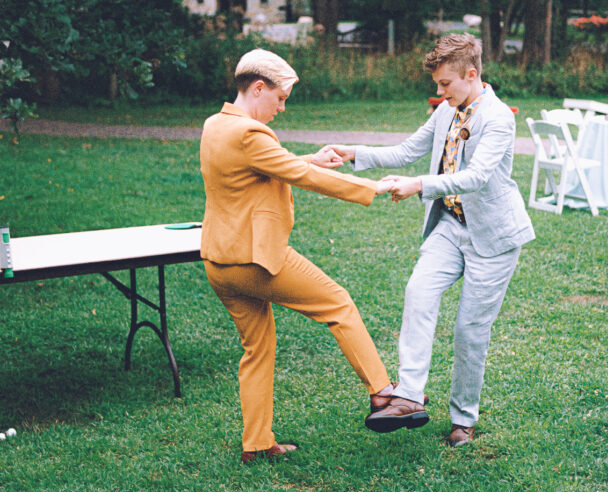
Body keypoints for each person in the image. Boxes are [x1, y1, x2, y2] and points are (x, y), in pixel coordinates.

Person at [328, 33, 534, 446]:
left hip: (493, 238)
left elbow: (476, 178)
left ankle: (463, 420)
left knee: (469, 331)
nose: (438, 92)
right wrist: (352, 153)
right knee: (417, 293)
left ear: (471, 74)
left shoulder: (498, 118)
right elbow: (407, 150)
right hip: (451, 226)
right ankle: (408, 396)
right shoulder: (446, 111)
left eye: (445, 85)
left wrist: (420, 185)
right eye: (437, 85)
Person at [200, 48, 395, 463]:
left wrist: (310, 158)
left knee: (257, 349)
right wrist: (369, 188)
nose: (282, 108)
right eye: (280, 98)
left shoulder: (215, 126)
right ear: (257, 88)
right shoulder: (250, 134)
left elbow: (267, 166)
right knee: (337, 302)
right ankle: (383, 393)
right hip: (255, 261)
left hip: (218, 263)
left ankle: (256, 443)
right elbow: (299, 175)